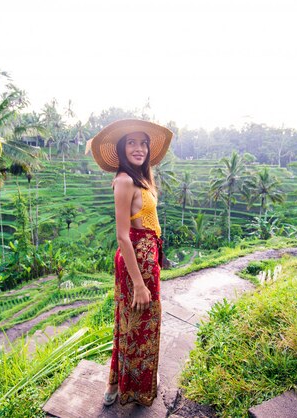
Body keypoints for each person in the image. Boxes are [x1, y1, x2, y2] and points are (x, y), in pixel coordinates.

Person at [86, 119, 173, 407]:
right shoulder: (124, 180)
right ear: (122, 149)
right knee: (133, 324)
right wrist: (138, 284)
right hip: (135, 264)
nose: (139, 148)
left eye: (143, 143)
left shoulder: (143, 178)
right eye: (132, 143)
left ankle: (133, 381)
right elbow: (123, 237)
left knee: (142, 323)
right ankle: (122, 385)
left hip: (149, 262)